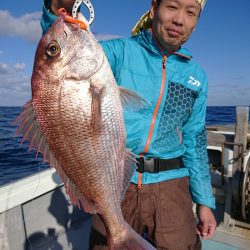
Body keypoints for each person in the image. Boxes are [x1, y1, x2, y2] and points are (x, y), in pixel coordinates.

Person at [41, 0, 217, 249]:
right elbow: (59, 59)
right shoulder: (116, 53)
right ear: (154, 9)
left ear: (197, 23)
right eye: (172, 7)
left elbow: (195, 139)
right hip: (116, 184)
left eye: (191, 12)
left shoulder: (197, 76)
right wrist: (56, 10)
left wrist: (204, 201)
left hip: (172, 185)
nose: (179, 19)